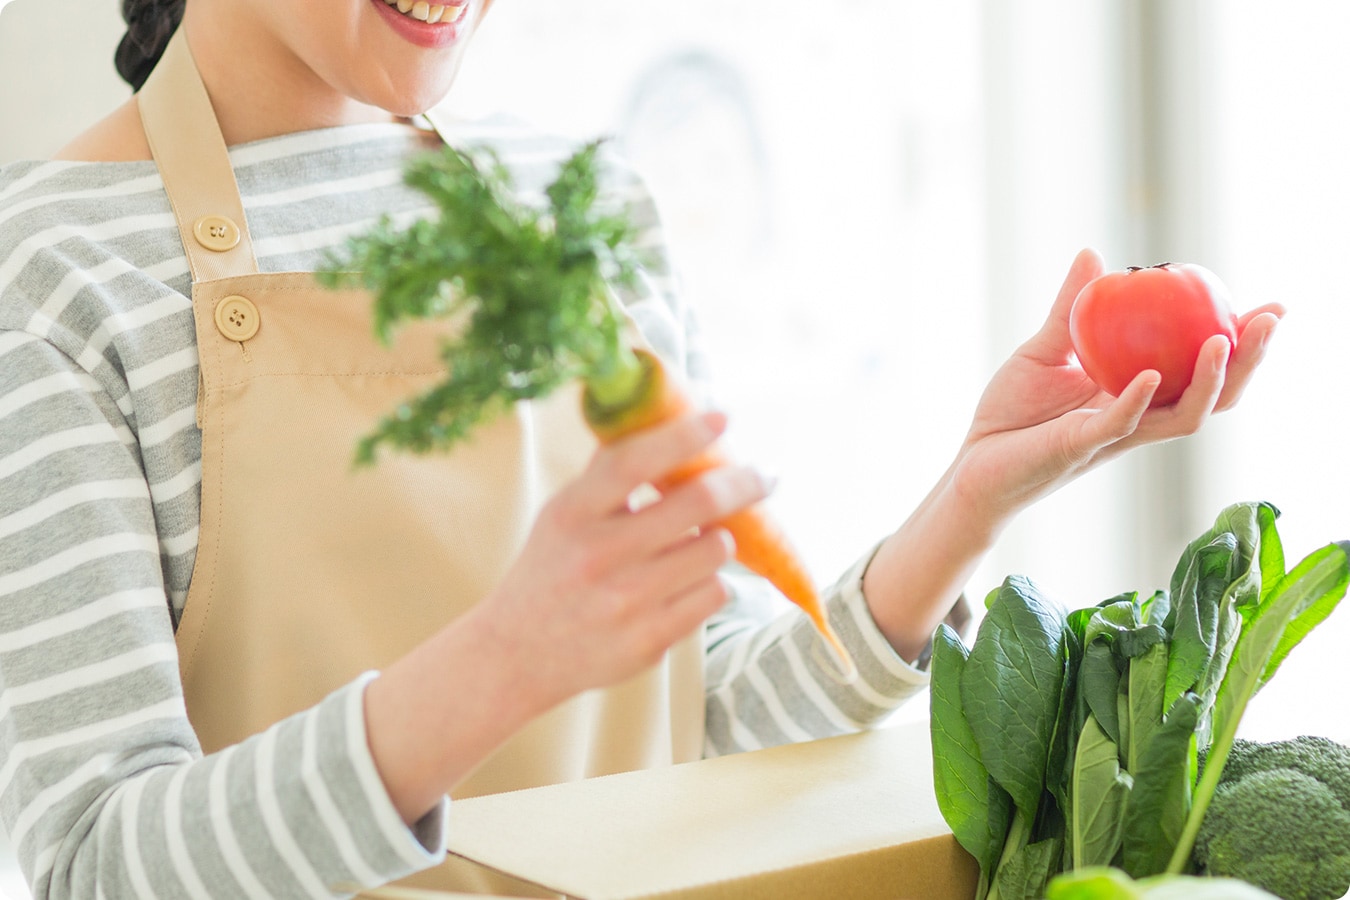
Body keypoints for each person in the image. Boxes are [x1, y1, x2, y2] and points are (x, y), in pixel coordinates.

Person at [0, 0, 1283, 898]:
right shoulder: (60, 274)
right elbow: (97, 866)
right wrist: (498, 667)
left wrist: (969, 502)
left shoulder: (582, 202)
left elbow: (704, 715)